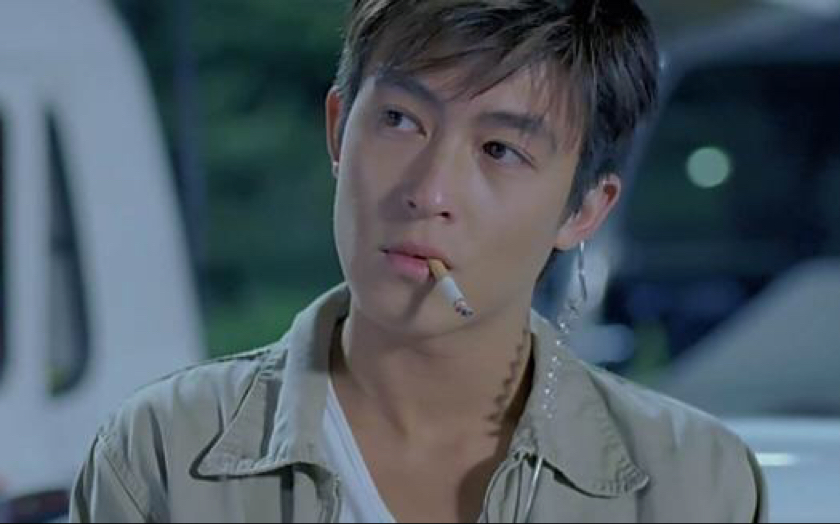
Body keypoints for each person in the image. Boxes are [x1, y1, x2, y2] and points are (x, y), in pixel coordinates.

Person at [69, 0, 767, 522]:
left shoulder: (694, 484)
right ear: (339, 130)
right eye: (400, 120)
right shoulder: (165, 452)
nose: (428, 192)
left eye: (500, 151)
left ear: (583, 209)